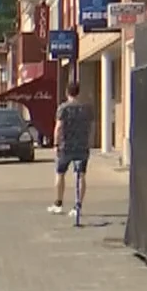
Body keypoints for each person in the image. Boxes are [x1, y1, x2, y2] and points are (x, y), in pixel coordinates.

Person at [48, 80, 92, 213]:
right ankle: (77, 206)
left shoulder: (63, 108)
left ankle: (58, 204)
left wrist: (55, 143)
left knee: (60, 174)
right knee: (80, 175)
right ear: (79, 92)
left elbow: (59, 127)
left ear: (67, 92)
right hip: (82, 146)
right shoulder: (86, 109)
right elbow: (91, 126)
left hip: (65, 146)